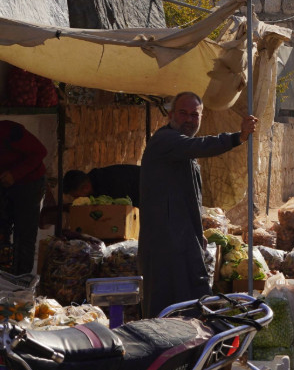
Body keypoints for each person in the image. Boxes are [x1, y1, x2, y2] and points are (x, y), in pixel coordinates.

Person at [139, 92, 256, 318]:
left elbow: (187, 197)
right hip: (165, 244)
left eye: (195, 115)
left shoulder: (185, 151)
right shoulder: (166, 141)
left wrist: (197, 230)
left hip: (183, 239)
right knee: (167, 308)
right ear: (171, 114)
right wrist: (237, 137)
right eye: (183, 113)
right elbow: (203, 145)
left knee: (189, 306)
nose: (189, 119)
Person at [0, 121, 47, 275]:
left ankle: (22, 278)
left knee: (24, 232)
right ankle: (4, 273)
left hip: (29, 182)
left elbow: (40, 152)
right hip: (4, 183)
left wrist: (15, 174)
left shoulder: (10, 131)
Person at [62, 164, 141, 206]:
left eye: (76, 196)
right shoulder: (95, 180)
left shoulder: (111, 185)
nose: (76, 199)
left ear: (86, 187)